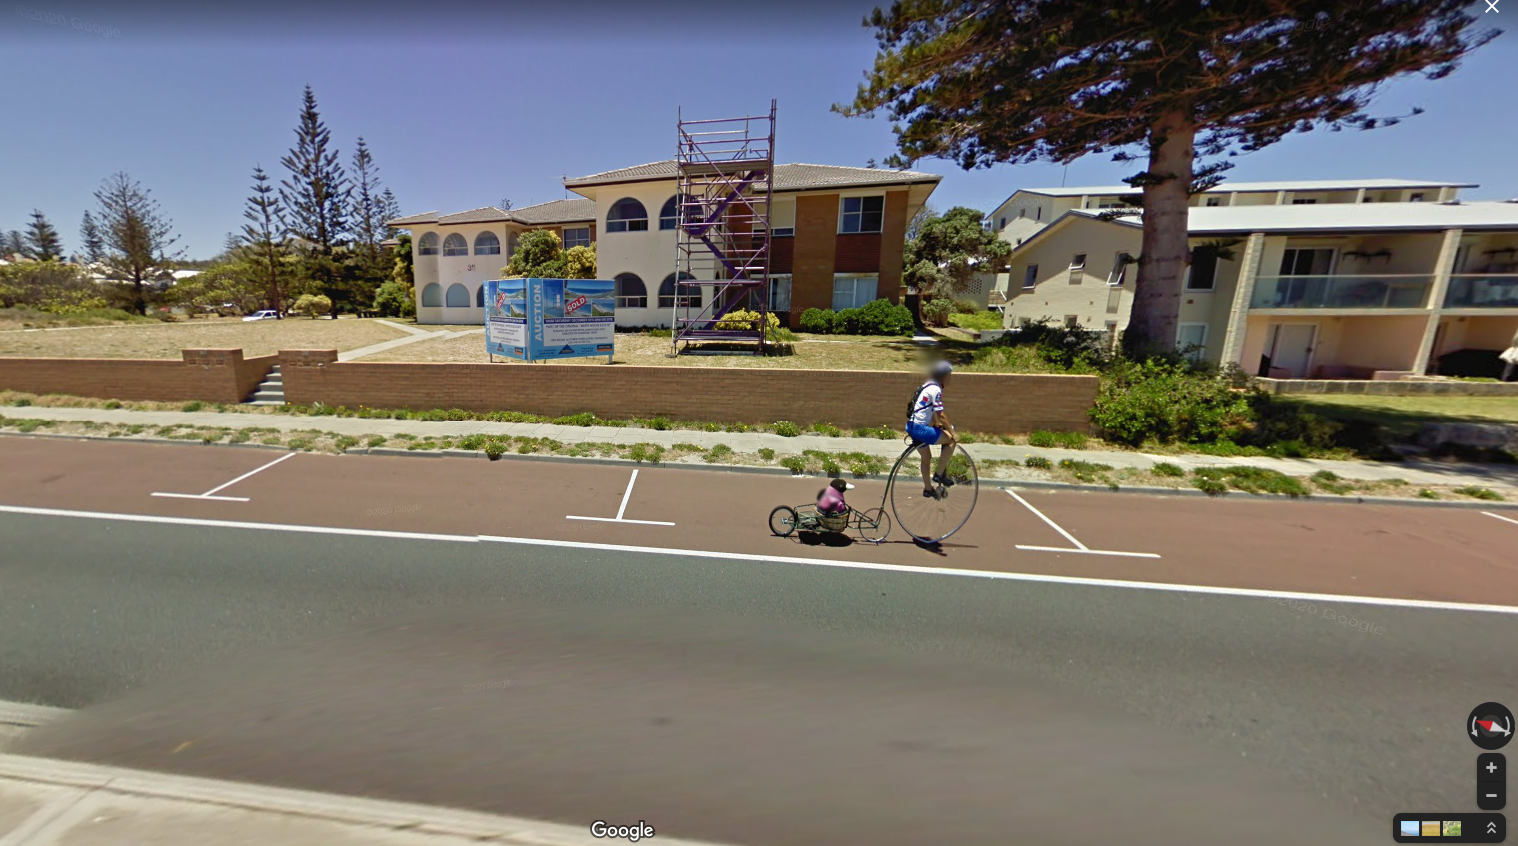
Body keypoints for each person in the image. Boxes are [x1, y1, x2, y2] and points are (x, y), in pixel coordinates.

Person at [906, 360, 958, 498]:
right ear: (943, 376)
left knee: (926, 457)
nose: (950, 379)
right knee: (951, 441)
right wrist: (953, 433)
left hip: (911, 427)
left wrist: (935, 422)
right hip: (921, 429)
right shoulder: (936, 390)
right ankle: (939, 474)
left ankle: (928, 489)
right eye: (949, 375)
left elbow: (929, 409)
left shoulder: (927, 386)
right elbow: (941, 415)